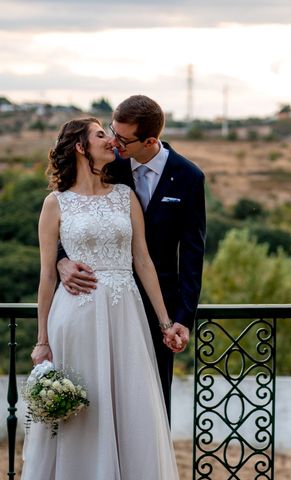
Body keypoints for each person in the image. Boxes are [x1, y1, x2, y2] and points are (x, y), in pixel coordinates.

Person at [22, 118, 179, 479]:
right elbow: (46, 275)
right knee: (82, 409)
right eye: (100, 134)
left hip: (126, 316)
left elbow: (143, 261)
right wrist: (42, 341)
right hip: (75, 316)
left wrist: (165, 323)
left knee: (130, 405)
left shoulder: (126, 196)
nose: (110, 140)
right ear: (80, 146)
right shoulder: (55, 204)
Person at [57, 95, 206, 416]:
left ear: (150, 140)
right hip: (97, 301)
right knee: (96, 394)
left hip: (158, 306)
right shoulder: (109, 163)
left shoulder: (189, 177)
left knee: (151, 403)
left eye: (122, 138)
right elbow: (70, 212)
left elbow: (193, 252)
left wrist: (182, 318)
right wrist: (62, 260)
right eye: (111, 131)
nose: (113, 141)